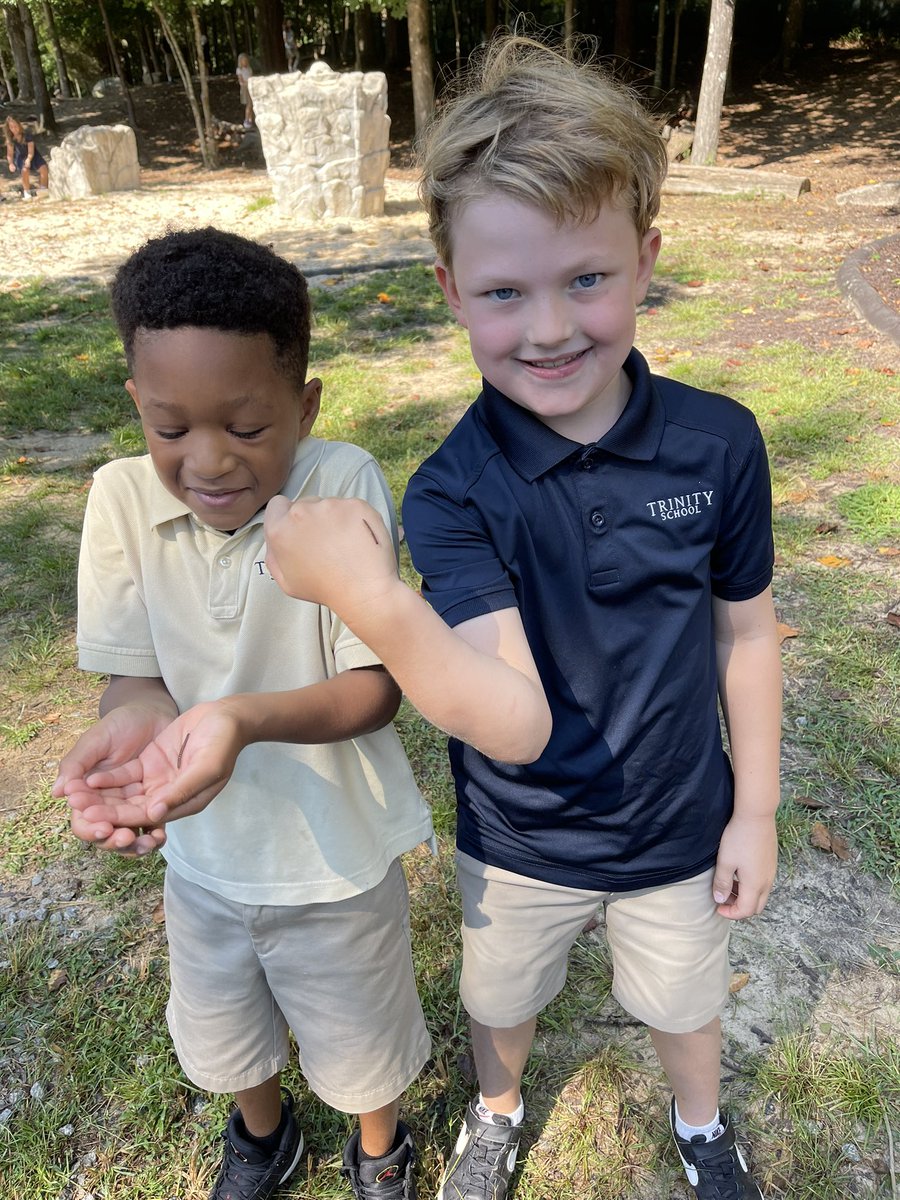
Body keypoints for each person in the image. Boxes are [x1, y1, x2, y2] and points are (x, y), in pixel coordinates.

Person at [262, 33, 782, 1200]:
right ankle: (496, 1113)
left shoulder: (720, 443)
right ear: (451, 290)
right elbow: (513, 722)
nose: (548, 329)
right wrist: (375, 600)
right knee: (500, 999)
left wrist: (754, 810)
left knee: (686, 1002)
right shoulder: (454, 491)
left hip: (677, 827)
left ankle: (702, 1127)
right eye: (504, 293)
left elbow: (744, 633)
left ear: (646, 260)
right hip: (522, 839)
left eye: (586, 279)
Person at [54, 228, 433, 1200]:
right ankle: (265, 1137)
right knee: (226, 1029)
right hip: (204, 858)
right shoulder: (118, 500)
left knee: (361, 1035)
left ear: (304, 407)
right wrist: (133, 721)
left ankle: (379, 1144)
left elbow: (375, 688)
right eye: (171, 429)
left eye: (249, 427)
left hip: (336, 857)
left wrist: (240, 719)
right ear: (136, 403)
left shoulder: (340, 484)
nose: (210, 460)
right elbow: (135, 679)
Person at [4, 115, 49, 198]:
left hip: (33, 155)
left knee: (44, 168)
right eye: (11, 127)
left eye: (15, 126)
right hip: (20, 157)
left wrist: (28, 159)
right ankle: (26, 191)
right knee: (25, 170)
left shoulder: (27, 135)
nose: (14, 129)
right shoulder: (10, 139)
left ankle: (43, 189)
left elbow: (31, 151)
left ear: (19, 125)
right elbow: (9, 154)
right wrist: (11, 163)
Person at [236, 53, 254, 127]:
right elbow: (241, 81)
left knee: (251, 105)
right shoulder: (239, 70)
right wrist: (247, 82)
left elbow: (252, 77)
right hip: (245, 88)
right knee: (249, 104)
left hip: (251, 87)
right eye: (243, 61)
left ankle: (251, 120)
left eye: (246, 60)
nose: (245, 62)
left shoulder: (249, 69)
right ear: (240, 61)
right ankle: (246, 120)